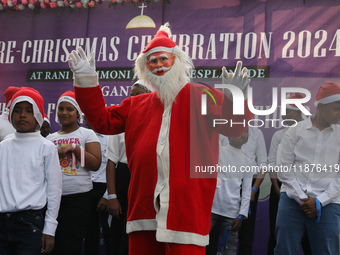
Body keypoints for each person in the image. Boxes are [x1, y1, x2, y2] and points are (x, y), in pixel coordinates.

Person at [68, 22, 252, 255]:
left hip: (186, 210)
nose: (158, 65)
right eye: (152, 61)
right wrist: (86, 79)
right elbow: (102, 121)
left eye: (163, 59)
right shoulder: (136, 104)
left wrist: (237, 98)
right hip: (144, 208)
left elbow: (234, 128)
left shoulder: (202, 95)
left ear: (176, 61)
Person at [275, 82, 340, 255]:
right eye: (336, 108)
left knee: (327, 251)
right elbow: (284, 169)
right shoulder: (295, 131)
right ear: (321, 106)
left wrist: (320, 201)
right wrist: (303, 199)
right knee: (284, 251)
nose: (339, 113)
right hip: (292, 200)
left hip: (329, 203)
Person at [0, 87, 62, 254]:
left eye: (29, 110)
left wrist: (50, 229)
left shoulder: (46, 147)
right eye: (17, 110)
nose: (22, 115)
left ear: (39, 114)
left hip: (30, 223)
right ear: (10, 113)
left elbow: (54, 190)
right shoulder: (3, 146)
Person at [97, 80, 152, 255]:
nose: (134, 99)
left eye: (139, 94)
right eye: (131, 95)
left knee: (141, 234)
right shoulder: (122, 123)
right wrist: (112, 196)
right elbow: (112, 162)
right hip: (123, 180)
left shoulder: (157, 123)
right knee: (119, 236)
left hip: (146, 181)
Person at [47, 91, 102, 255]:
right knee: (51, 245)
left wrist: (75, 149)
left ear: (78, 113)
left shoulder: (86, 134)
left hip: (78, 198)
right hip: (52, 198)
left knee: (70, 245)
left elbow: (95, 164)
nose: (64, 113)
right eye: (61, 109)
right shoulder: (50, 138)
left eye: (70, 109)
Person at [267, 94, 311, 255]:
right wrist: (277, 188)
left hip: (307, 189)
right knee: (278, 231)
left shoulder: (311, 135)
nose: (284, 114)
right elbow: (272, 163)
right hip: (280, 188)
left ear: (298, 113)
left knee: (309, 234)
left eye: (288, 111)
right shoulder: (278, 135)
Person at [207, 129, 252, 255]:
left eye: (245, 132)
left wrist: (241, 215)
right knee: (201, 243)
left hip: (232, 214)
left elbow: (246, 192)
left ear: (248, 137)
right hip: (210, 209)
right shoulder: (218, 151)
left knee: (229, 249)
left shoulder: (248, 162)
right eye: (238, 130)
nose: (241, 134)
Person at [237, 126, 267, 255]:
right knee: (224, 225)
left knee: (247, 230)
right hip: (228, 182)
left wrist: (254, 189)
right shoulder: (223, 130)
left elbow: (263, 164)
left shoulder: (256, 133)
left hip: (251, 184)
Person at [83, 115, 109, 255]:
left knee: (109, 233)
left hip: (104, 189)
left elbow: (114, 168)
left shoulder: (110, 137)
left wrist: (108, 195)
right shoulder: (80, 138)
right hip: (85, 188)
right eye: (86, 117)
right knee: (89, 233)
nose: (89, 120)